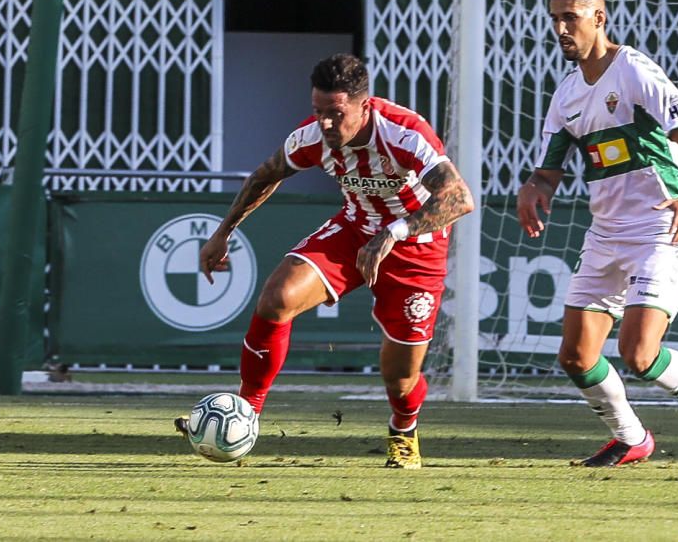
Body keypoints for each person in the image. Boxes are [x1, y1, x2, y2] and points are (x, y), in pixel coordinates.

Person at [177, 53, 474, 469]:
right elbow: (266, 174)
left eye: (336, 114)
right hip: (354, 231)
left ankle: (404, 430)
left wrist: (394, 231)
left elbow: (459, 199)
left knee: (401, 378)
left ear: (364, 105)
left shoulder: (405, 133)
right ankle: (247, 413)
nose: (326, 124)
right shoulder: (313, 136)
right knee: (276, 298)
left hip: (415, 246)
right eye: (318, 112)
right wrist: (222, 232)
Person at [516, 0, 678, 468]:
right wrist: (534, 188)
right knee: (576, 356)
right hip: (606, 232)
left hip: (660, 227)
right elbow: (550, 171)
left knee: (638, 354)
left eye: (569, 17)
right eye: (554, 18)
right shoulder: (568, 93)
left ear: (599, 17)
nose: (560, 27)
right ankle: (632, 437)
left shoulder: (635, 72)